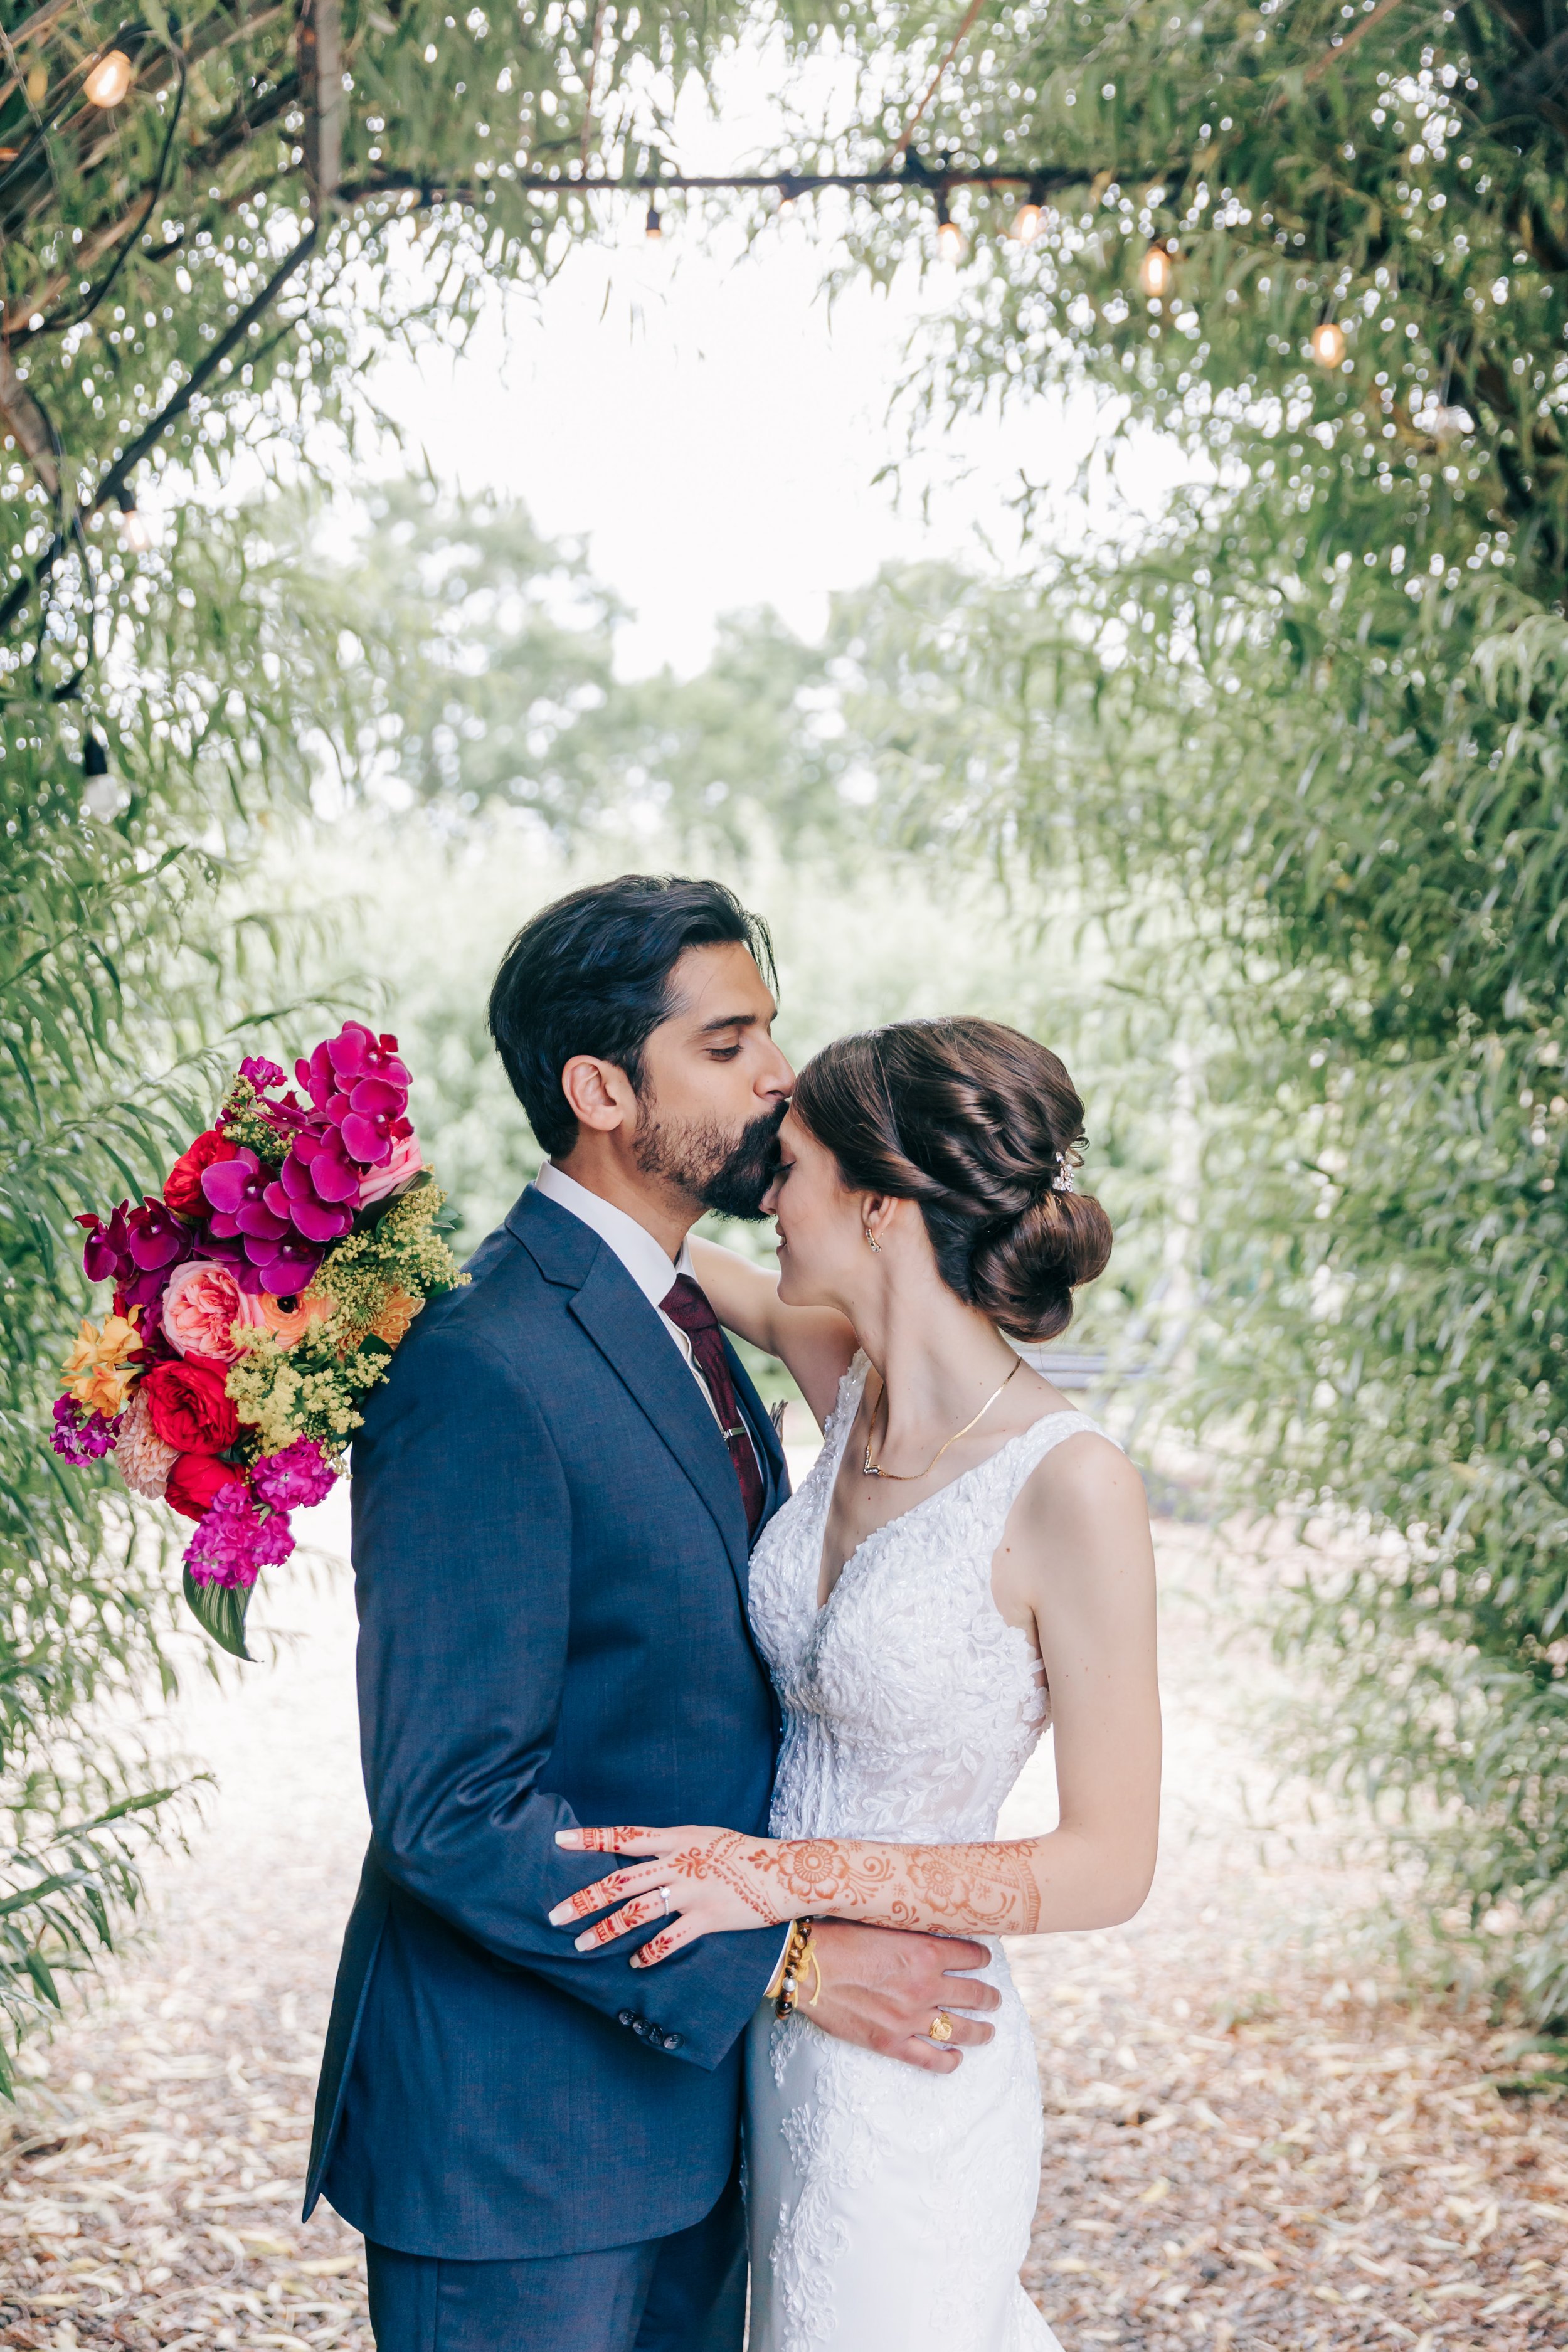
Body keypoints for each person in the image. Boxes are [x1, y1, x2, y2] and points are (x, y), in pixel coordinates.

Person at [305, 877, 1004, 2352]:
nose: (780, 1077)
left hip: (700, 2125)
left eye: (774, 1033)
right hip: (520, 2152)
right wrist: (788, 1960)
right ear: (601, 1088)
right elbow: (450, 1802)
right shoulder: (480, 1363)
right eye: (731, 1043)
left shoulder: (685, 1320)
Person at [551, 1015, 1162, 2351]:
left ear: (881, 1204)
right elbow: (645, 1257)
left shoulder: (1072, 1484)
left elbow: (1110, 1866)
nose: (765, 1189)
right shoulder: (847, 1375)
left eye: (795, 1164)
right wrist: (377, 1224)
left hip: (915, 2051)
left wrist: (780, 1879)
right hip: (775, 2030)